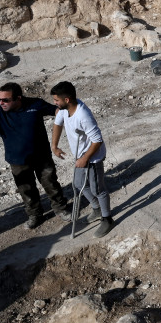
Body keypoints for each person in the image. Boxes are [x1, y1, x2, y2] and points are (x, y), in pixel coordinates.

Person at [0, 82, 70, 229]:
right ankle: (35, 215)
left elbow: (56, 111)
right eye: (0, 99)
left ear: (18, 98)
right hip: (17, 160)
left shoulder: (35, 103)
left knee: (50, 183)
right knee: (26, 189)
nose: (1, 103)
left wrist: (69, 112)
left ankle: (60, 209)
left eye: (6, 100)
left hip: (41, 156)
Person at [50, 81, 115, 238]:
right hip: (81, 155)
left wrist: (85, 158)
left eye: (56, 100)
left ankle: (107, 219)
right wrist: (54, 146)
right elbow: (57, 124)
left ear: (67, 100)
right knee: (78, 184)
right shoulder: (63, 110)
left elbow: (97, 139)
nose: (54, 103)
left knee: (98, 189)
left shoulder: (83, 115)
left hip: (93, 157)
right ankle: (97, 209)